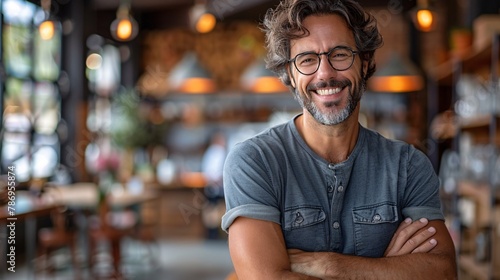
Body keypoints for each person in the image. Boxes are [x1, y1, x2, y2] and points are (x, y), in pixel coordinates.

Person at [221, 0, 457, 279]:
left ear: (365, 62)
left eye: (341, 54)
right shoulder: (255, 162)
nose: (325, 73)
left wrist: (330, 266)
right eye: (307, 59)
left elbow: (442, 271)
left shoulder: (407, 166)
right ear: (290, 74)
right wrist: (387, 269)